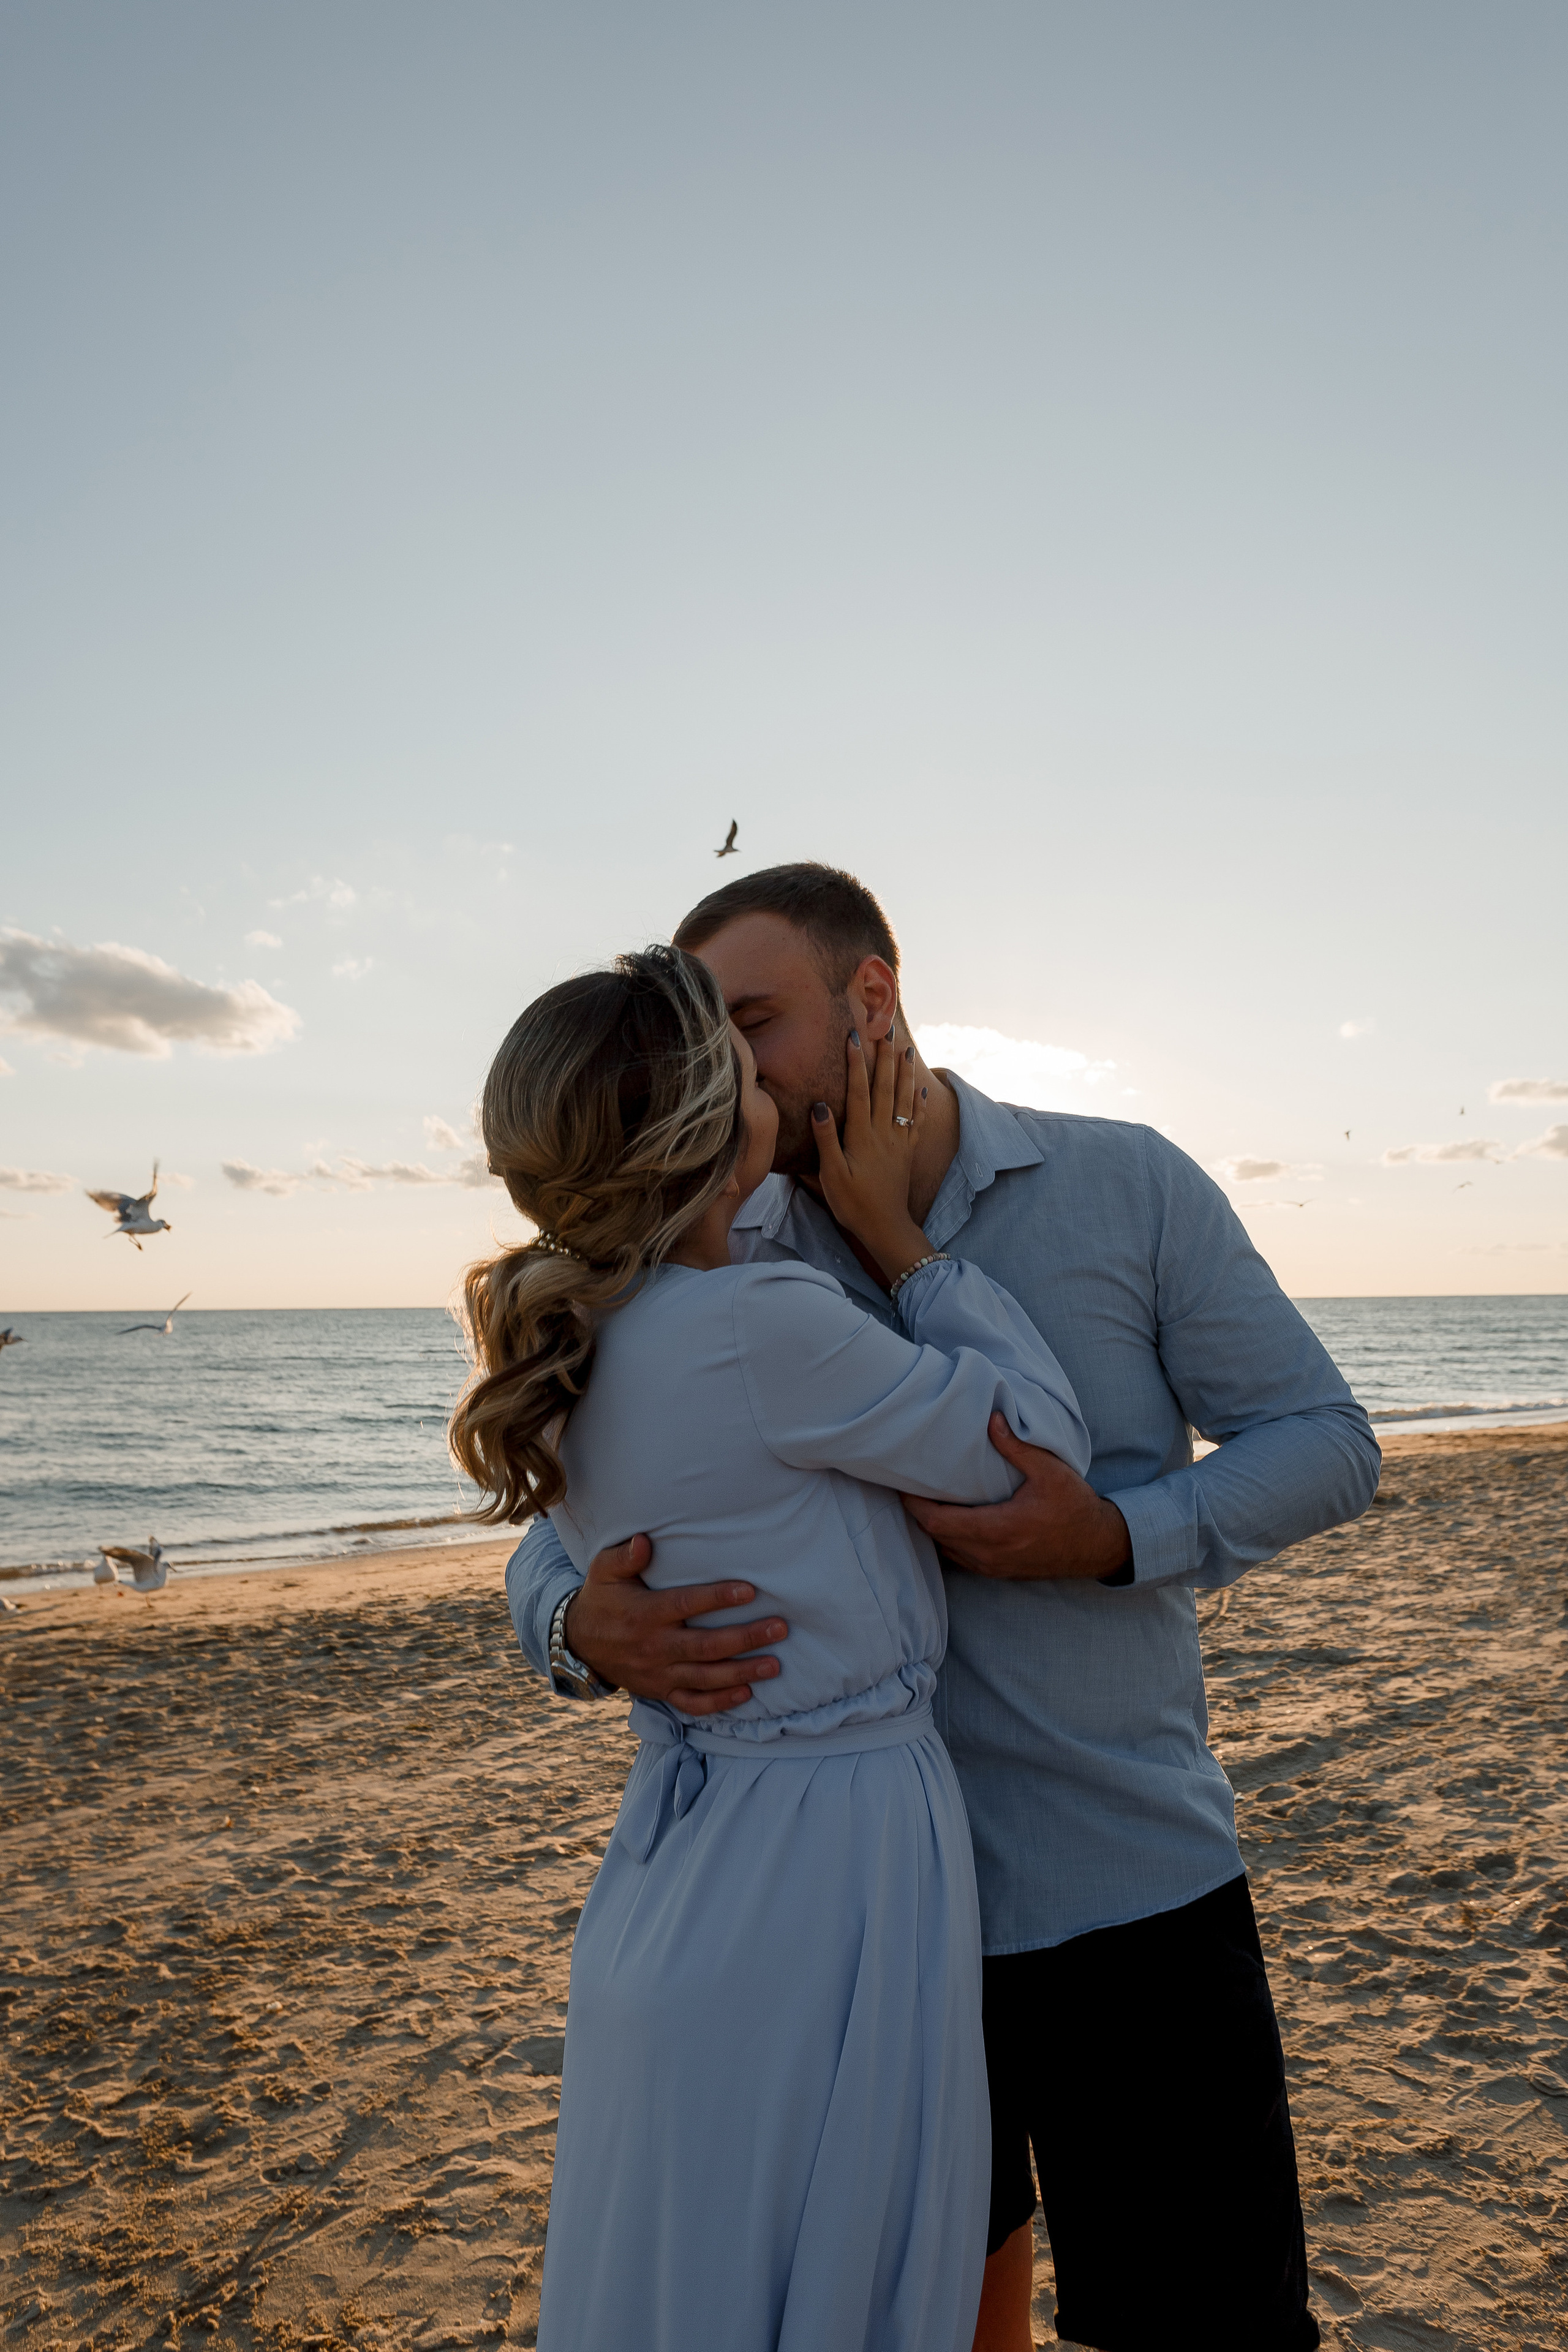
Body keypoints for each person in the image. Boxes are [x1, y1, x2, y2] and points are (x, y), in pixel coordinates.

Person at [507, 865, 1382, 2352]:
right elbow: (569, 1498)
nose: (729, 1072)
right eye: (704, 1040)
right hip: (848, 1931)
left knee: (1213, 2323)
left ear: (872, 999)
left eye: (754, 1022)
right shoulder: (713, 1241)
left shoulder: (1124, 1182)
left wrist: (1116, 1531)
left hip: (1121, 1875)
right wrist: (571, 1627)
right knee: (910, 2319)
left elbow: (1322, 1439)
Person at [456, 944, 1091, 2352]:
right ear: (709, 1121)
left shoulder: (572, 1328)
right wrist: (905, 1251)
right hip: (831, 1860)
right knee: (851, 2261)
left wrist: (563, 1613)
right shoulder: (758, 1322)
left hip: (678, 1863)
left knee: (701, 2262)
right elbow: (1036, 1449)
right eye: (744, 1071)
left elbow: (574, 1543)